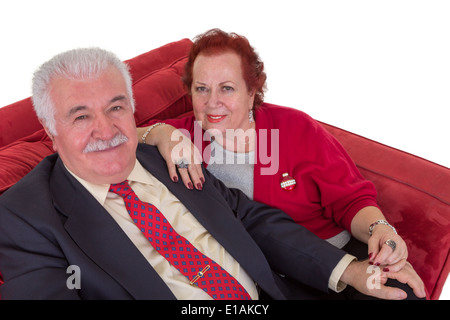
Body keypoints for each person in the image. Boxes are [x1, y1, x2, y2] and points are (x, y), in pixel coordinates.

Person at [0, 47, 424, 300]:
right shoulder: (25, 216)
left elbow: (251, 220)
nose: (107, 131)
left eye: (116, 107)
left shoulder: (166, 157)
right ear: (52, 133)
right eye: (80, 116)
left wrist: (351, 272)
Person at [138, 29, 426, 299]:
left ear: (251, 92)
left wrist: (380, 229)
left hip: (342, 257)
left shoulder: (294, 127)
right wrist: (160, 131)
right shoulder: (183, 135)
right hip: (271, 280)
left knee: (401, 291)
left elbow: (350, 199)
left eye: (227, 88)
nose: (212, 102)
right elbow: (121, 137)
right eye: (201, 89)